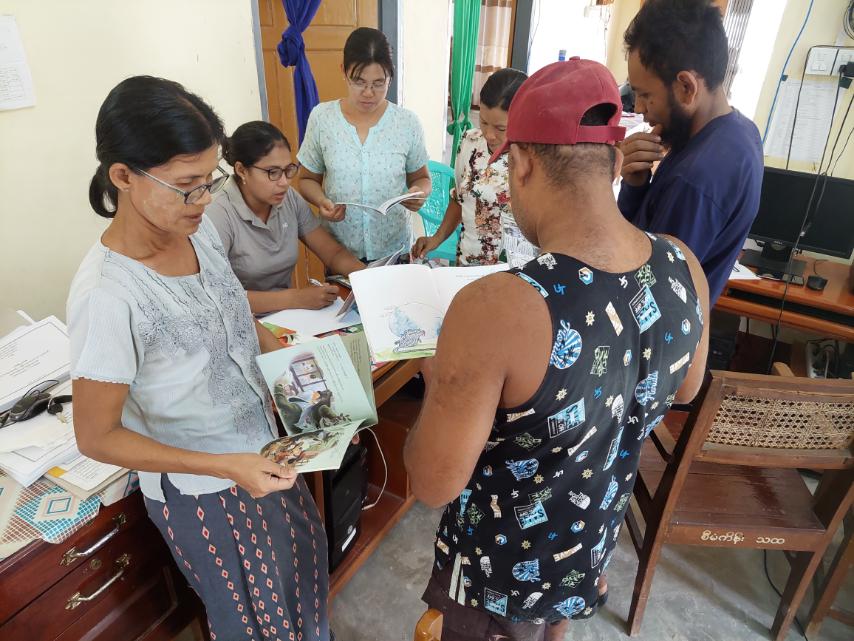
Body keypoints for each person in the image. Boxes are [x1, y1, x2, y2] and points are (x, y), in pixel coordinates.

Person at [404, 59, 710, 641]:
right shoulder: (682, 265)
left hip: (498, 583)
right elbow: (687, 387)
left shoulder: (497, 308)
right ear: (615, 160)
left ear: (520, 162)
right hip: (587, 552)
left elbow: (432, 482)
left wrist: (440, 378)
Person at [68, 76, 330, 641]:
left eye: (210, 181)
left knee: (303, 585)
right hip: (208, 492)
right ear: (123, 177)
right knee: (258, 621)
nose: (205, 199)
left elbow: (236, 319)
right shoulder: (109, 295)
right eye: (188, 186)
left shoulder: (197, 231)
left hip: (264, 454)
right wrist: (227, 467)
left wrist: (305, 385)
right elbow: (96, 436)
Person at [617, 0, 763, 303]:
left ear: (686, 87)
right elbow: (646, 237)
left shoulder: (696, 178)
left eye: (645, 94)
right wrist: (635, 186)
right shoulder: (740, 131)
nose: (640, 108)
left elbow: (645, 288)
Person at [296, 27, 432, 261]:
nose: (368, 93)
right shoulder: (322, 118)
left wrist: (419, 193)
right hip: (340, 252)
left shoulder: (407, 123)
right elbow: (306, 180)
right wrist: (322, 201)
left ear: (390, 76)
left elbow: (422, 178)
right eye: (358, 81)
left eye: (379, 83)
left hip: (394, 250)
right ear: (343, 71)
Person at [207, 121, 364, 314]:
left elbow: (333, 254)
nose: (284, 182)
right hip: (241, 320)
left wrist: (372, 277)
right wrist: (296, 298)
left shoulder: (289, 198)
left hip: (287, 316)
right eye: (272, 172)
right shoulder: (218, 213)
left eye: (288, 170)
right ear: (241, 170)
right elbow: (218, 296)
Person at [411, 68, 537, 267]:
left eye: (501, 128)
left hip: (514, 271)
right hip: (467, 263)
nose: (489, 134)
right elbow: (459, 198)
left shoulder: (536, 157)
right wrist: (437, 238)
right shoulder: (470, 141)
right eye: (484, 121)